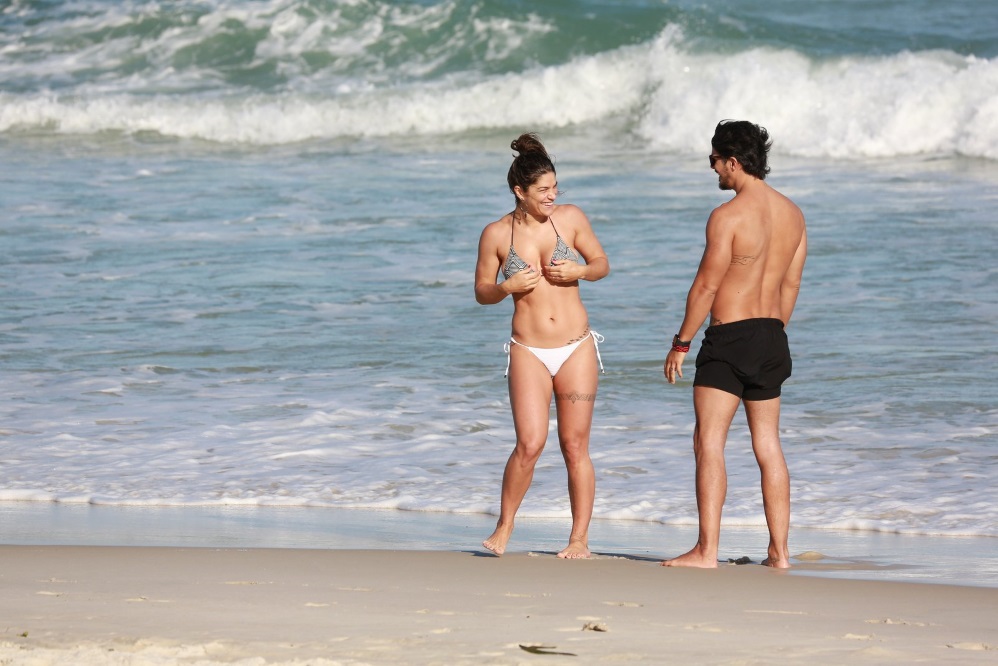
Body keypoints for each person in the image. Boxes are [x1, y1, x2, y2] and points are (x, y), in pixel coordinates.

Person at [663, 120, 807, 569]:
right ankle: (780, 553)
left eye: (714, 161)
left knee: (709, 440)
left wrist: (682, 342)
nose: (713, 170)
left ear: (733, 161)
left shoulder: (727, 216)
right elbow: (791, 283)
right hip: (772, 336)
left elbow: (706, 286)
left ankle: (707, 551)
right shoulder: (793, 214)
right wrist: (769, 333)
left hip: (729, 336)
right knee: (768, 444)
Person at [475, 133, 610, 559]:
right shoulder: (497, 234)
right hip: (529, 350)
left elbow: (602, 264)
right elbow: (481, 291)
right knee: (530, 444)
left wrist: (581, 271)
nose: (552, 196)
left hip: (576, 347)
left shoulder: (569, 219)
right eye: (543, 191)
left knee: (574, 445)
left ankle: (579, 540)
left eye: (555, 188)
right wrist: (506, 286)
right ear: (520, 191)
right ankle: (505, 524)